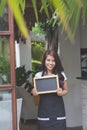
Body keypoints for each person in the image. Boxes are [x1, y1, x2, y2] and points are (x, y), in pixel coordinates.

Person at [31, 49, 68, 130]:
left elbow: (66, 90)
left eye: (53, 61)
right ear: (44, 60)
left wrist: (61, 93)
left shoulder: (61, 74)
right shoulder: (38, 75)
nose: (50, 63)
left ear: (56, 62)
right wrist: (34, 93)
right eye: (48, 60)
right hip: (44, 112)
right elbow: (36, 97)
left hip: (58, 111)